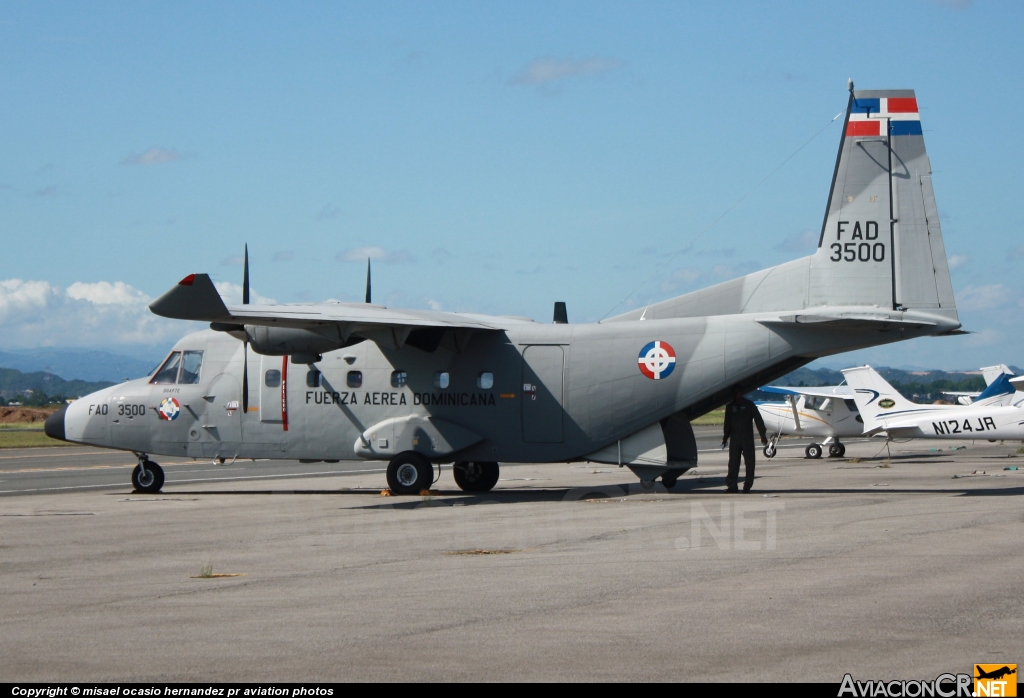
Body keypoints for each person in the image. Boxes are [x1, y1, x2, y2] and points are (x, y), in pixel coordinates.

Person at [721, 384, 768, 492]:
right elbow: (727, 424)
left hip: (747, 438)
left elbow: (758, 420)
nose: (735, 395)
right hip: (735, 439)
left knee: (750, 462)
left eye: (737, 392)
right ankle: (732, 486)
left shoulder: (749, 405)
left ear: (741, 393)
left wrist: (762, 435)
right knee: (733, 463)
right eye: (734, 393)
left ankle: (747, 485)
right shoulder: (730, 407)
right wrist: (725, 437)